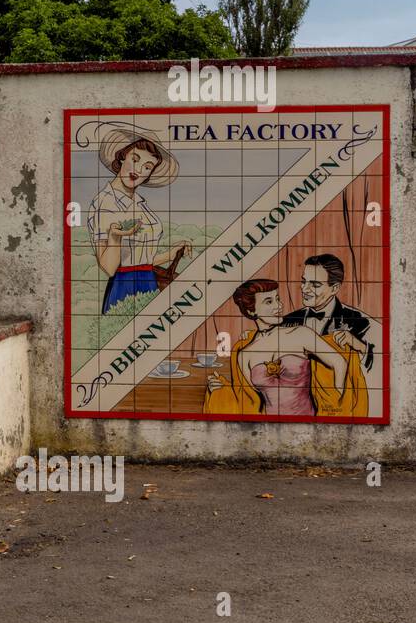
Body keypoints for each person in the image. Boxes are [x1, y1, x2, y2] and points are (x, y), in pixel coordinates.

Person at [204, 278, 366, 417]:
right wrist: (220, 390)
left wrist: (334, 403)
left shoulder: (300, 333)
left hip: (308, 425)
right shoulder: (244, 354)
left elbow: (339, 363)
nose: (279, 305)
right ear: (251, 311)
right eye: (269, 302)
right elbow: (247, 402)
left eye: (277, 299)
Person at [86, 127, 191, 313]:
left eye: (148, 167)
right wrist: (115, 238)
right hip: (124, 289)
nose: (139, 170)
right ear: (121, 157)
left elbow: (141, 259)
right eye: (135, 160)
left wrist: (171, 253)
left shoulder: (141, 205)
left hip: (149, 282)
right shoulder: (105, 201)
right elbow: (109, 268)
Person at [280, 254, 376, 371]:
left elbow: (375, 369)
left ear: (334, 288)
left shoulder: (358, 321)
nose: (305, 289)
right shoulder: (287, 322)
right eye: (304, 281)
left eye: (315, 285)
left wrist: (361, 347)